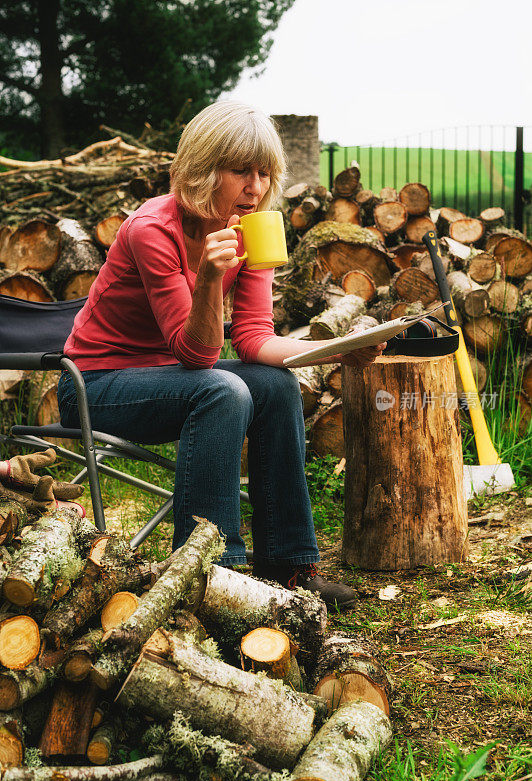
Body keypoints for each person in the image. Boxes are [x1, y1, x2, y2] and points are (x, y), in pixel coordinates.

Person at [57, 101, 386, 609]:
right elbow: (197, 355)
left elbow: (254, 338)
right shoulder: (153, 230)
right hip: (97, 385)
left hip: (172, 378)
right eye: (240, 171)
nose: (255, 187)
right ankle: (211, 578)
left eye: (264, 172)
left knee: (275, 386)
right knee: (221, 389)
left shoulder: (252, 227)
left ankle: (287, 565)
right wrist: (210, 278)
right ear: (202, 170)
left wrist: (335, 351)